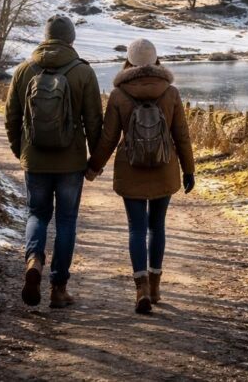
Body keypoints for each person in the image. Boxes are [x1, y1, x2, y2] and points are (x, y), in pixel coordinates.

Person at [86, 38, 194, 314]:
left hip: (131, 169)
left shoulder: (119, 94)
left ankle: (141, 288)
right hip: (164, 167)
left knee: (136, 228)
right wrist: (189, 169)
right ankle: (156, 287)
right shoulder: (170, 92)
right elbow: (181, 135)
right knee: (157, 227)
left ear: (129, 61)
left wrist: (94, 167)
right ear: (156, 60)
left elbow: (109, 137)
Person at [5, 14, 103, 308]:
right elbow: (94, 122)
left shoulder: (24, 69)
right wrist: (95, 162)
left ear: (45, 37)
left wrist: (21, 151)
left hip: (34, 159)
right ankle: (58, 289)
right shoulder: (83, 72)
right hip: (71, 163)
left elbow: (11, 117)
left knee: (36, 215)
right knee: (66, 221)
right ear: (71, 38)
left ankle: (34, 261)